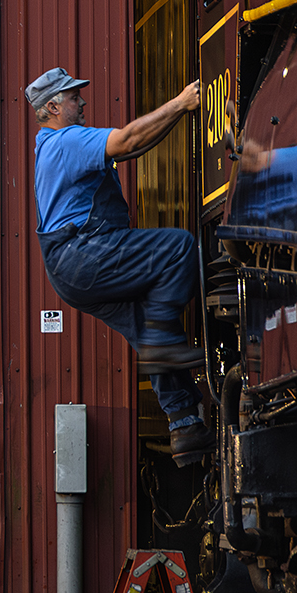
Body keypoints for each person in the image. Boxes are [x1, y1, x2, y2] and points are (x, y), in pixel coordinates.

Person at [25, 67, 211, 467]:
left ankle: (184, 426)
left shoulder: (49, 147)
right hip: (83, 252)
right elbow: (126, 140)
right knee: (179, 248)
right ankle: (165, 349)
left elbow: (133, 149)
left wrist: (178, 115)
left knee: (147, 323)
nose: (83, 102)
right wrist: (181, 103)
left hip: (69, 269)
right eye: (75, 97)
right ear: (54, 107)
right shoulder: (66, 141)